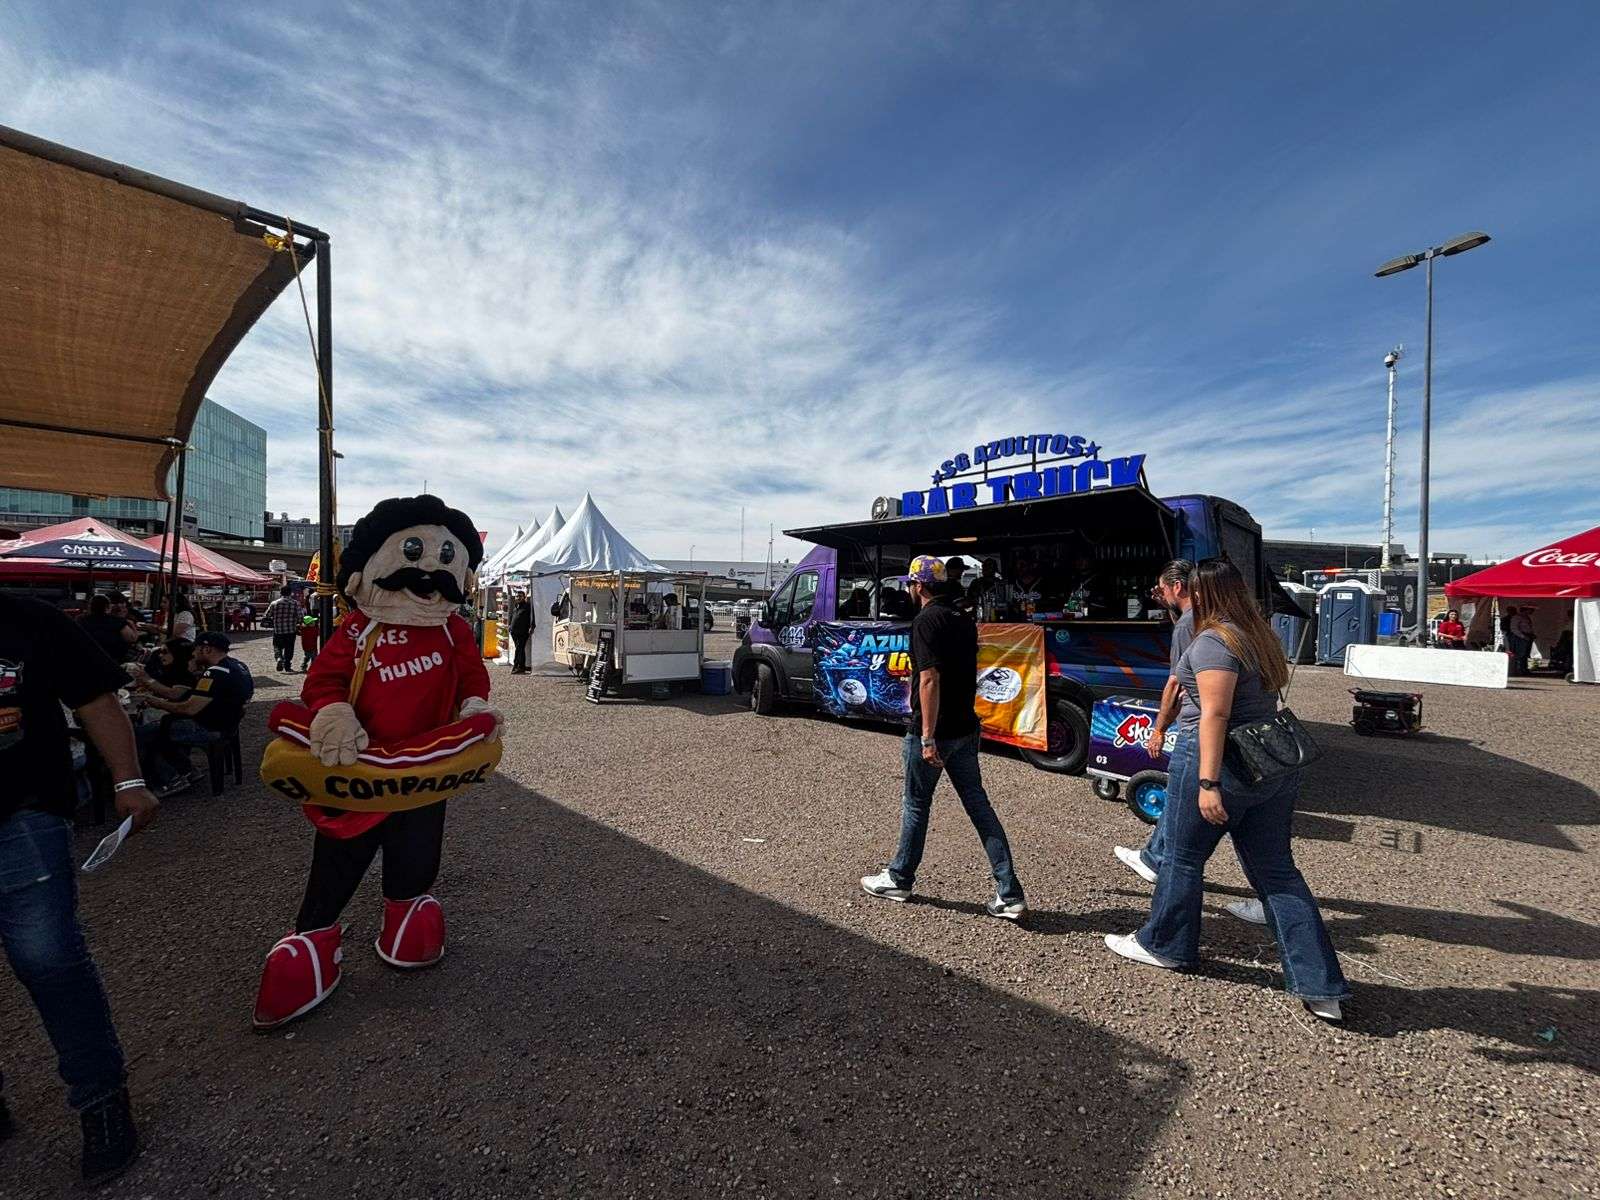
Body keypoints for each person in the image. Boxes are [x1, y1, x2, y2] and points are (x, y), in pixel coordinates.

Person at [1104, 558, 1349, 1022]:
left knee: (1182, 857)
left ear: (1203, 593)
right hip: (1270, 757)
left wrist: (1208, 782)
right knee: (1278, 872)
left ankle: (1165, 945)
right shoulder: (1259, 634)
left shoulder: (1213, 641)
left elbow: (1215, 714)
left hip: (1219, 759)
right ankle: (1320, 985)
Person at [0, 593, 159, 1185]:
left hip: (21, 813)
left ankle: (101, 1102)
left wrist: (129, 779)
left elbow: (94, 698)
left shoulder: (26, 618)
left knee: (50, 961)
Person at [861, 556, 1027, 921]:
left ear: (918, 585)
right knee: (979, 806)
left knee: (916, 804)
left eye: (910, 584)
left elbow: (930, 679)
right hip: (966, 727)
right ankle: (1009, 892)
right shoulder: (962, 618)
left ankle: (900, 878)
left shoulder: (926, 621)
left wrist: (927, 737)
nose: (909, 589)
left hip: (936, 731)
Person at [128, 632, 252, 797]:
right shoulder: (237, 665)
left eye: (195, 649)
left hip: (209, 727)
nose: (192, 653)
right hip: (228, 723)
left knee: (143, 733)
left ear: (206, 649)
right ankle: (187, 769)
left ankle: (170, 778)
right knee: (161, 725)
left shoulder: (214, 673)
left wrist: (155, 702)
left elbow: (188, 709)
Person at [79, 594, 140, 665]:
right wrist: (132, 625)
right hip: (115, 660)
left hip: (87, 658)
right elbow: (132, 638)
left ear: (90, 607)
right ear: (108, 607)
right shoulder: (117, 621)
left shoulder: (81, 620)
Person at [263, 586, 304, 673]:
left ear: (281, 593)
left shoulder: (274, 603)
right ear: (290, 593)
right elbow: (300, 617)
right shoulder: (295, 603)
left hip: (278, 630)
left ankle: (279, 658)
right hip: (291, 630)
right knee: (289, 648)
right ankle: (287, 666)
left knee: (277, 646)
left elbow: (267, 615)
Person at [509, 593, 533, 674]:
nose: (518, 598)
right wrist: (510, 626)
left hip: (523, 631)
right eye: (517, 596)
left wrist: (531, 626)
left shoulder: (527, 606)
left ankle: (517, 666)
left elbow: (531, 617)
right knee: (519, 649)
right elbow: (512, 616)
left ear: (524, 597)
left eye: (520, 596)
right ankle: (521, 667)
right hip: (514, 631)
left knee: (519, 649)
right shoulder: (516, 606)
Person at [1511, 606, 1537, 673]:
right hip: (1520, 638)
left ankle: (1524, 668)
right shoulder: (1517, 617)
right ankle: (1519, 669)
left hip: (1527, 637)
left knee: (1526, 654)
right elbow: (1514, 629)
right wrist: (1523, 636)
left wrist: (1531, 634)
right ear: (1526, 609)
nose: (1532, 611)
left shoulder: (1526, 617)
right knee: (1521, 654)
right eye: (1531, 609)